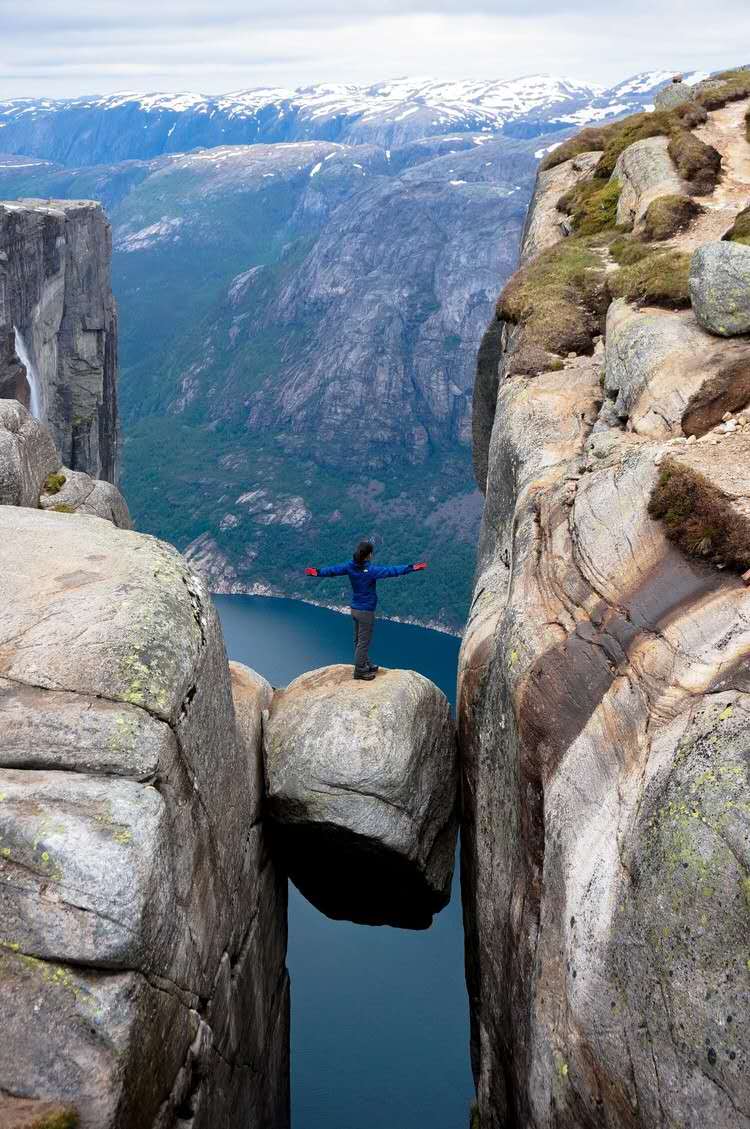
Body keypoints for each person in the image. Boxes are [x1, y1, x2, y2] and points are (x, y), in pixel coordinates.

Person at [305, 541, 427, 680]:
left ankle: (365, 663)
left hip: (355, 609)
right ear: (369, 555)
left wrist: (316, 572)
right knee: (363, 642)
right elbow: (392, 571)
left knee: (358, 640)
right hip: (365, 612)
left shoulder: (349, 566)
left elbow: (332, 570)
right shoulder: (371, 571)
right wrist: (412, 567)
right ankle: (360, 670)